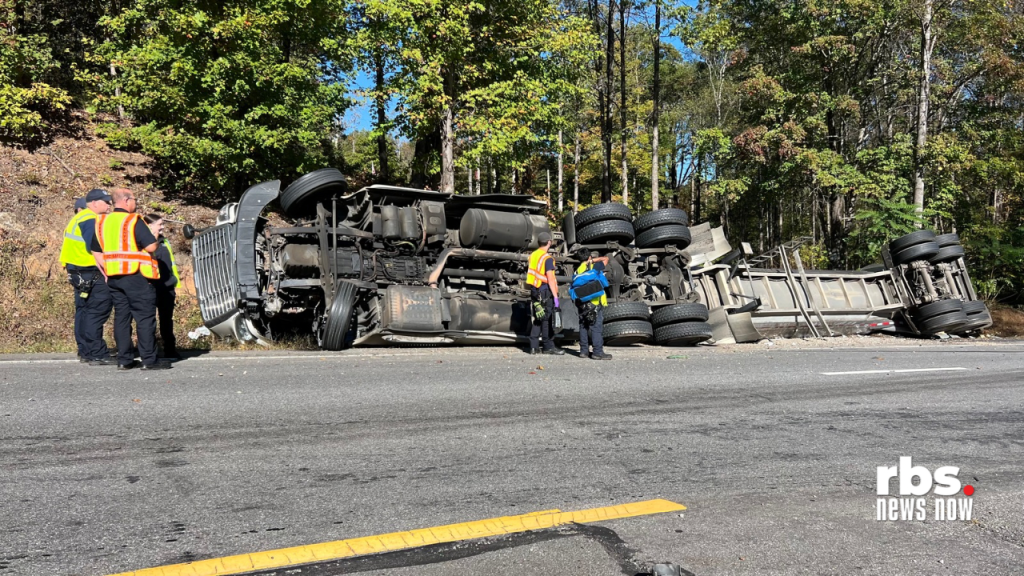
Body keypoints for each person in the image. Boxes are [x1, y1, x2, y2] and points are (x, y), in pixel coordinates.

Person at [90, 188, 171, 371]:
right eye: (134, 199)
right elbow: (151, 247)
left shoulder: (102, 221)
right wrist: (154, 238)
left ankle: (124, 360)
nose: (136, 202)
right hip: (136, 276)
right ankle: (149, 360)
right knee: (144, 318)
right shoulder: (132, 220)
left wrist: (106, 268)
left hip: (114, 277)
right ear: (126, 201)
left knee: (122, 318)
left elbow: (95, 250)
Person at [59, 189, 113, 364]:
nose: (109, 205)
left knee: (83, 310)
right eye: (106, 202)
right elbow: (94, 247)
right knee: (97, 310)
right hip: (90, 270)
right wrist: (107, 270)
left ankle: (85, 351)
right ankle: (97, 352)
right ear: (95, 203)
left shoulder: (79, 217)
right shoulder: (90, 219)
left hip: (78, 271)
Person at [143, 214, 182, 360]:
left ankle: (170, 350)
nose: (163, 227)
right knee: (148, 321)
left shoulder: (164, 241)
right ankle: (150, 351)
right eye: (160, 224)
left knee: (167, 320)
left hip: (167, 287)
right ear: (149, 226)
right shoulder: (142, 243)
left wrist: (173, 281)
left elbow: (170, 263)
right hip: (150, 287)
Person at [526, 231, 565, 355]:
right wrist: (555, 297)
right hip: (545, 291)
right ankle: (548, 346)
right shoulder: (547, 258)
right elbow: (551, 278)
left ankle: (533, 347)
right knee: (547, 319)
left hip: (534, 289)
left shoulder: (533, 255)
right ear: (549, 242)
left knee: (538, 317)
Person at [573, 248, 612, 360]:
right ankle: (597, 352)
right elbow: (606, 259)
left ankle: (584, 351)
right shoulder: (594, 267)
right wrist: (592, 261)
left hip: (581, 302)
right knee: (596, 327)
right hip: (594, 302)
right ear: (589, 257)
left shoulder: (577, 271)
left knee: (583, 325)